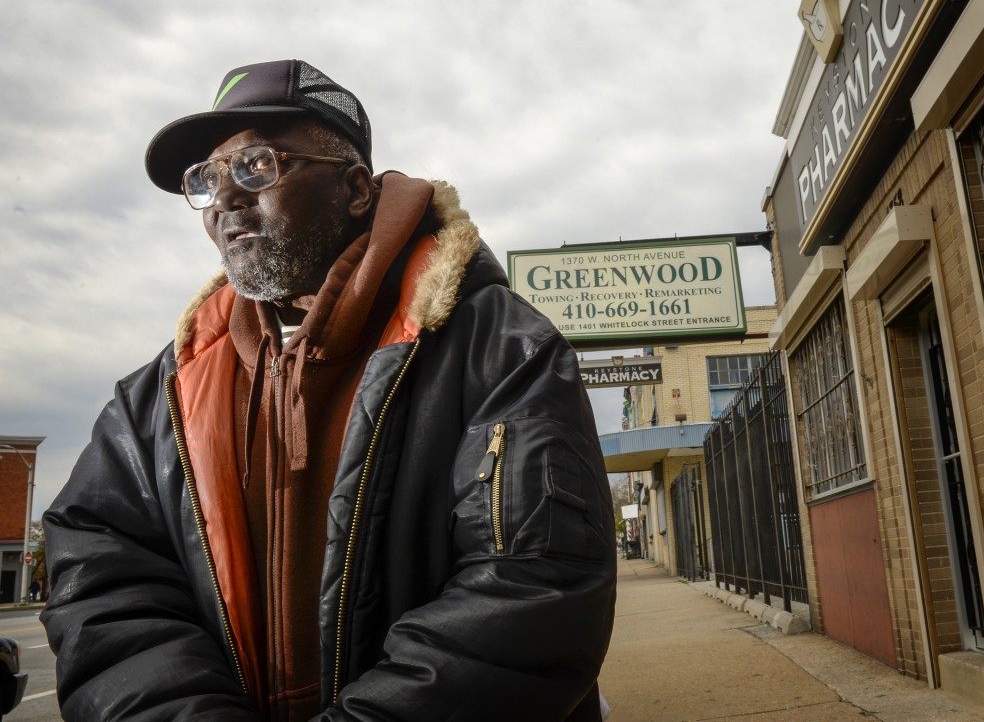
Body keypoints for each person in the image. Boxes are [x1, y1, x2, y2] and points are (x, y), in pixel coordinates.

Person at [41, 59, 616, 722]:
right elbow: (104, 590)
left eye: (256, 166)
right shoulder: (156, 401)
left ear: (354, 190)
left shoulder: (500, 347)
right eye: (205, 179)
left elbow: (538, 589)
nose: (224, 198)